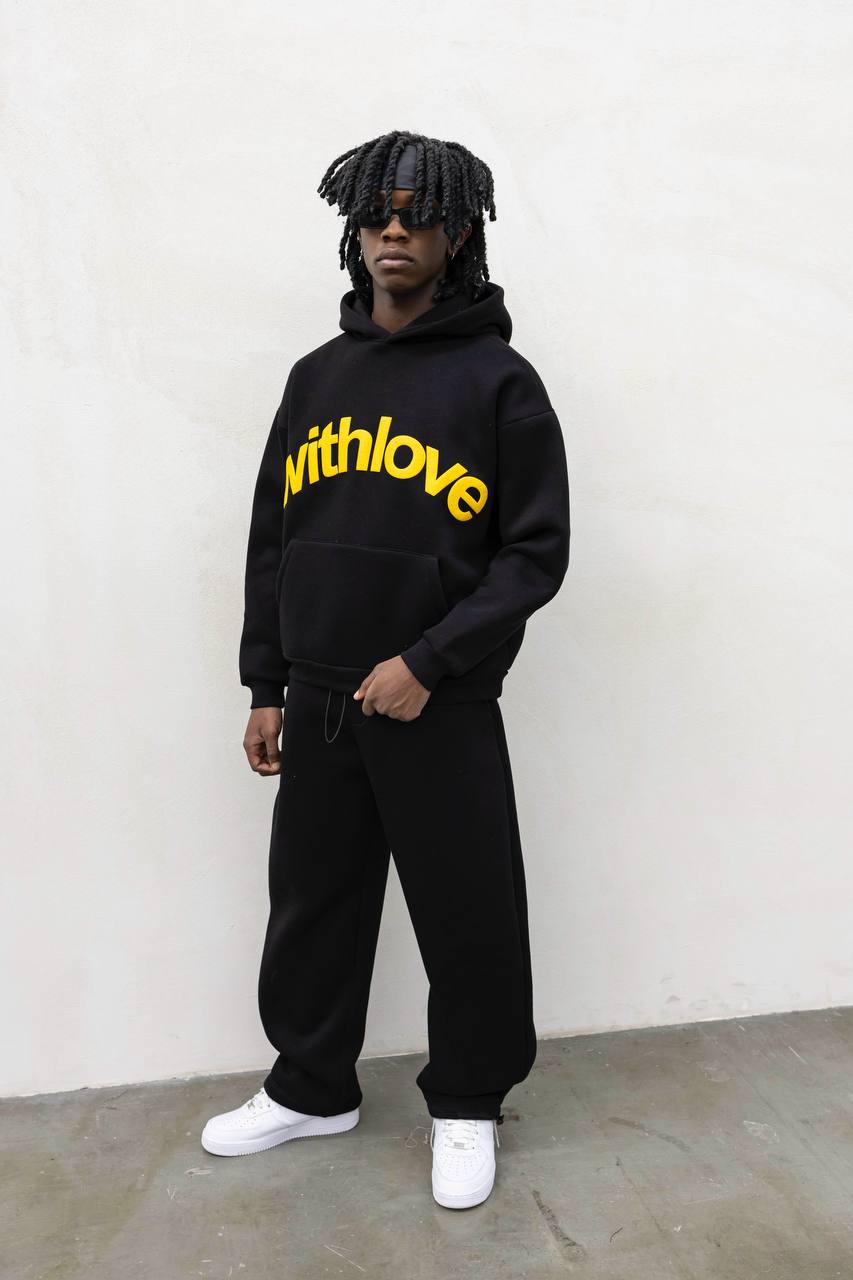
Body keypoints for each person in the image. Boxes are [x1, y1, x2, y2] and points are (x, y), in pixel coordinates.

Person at [201, 130, 571, 1211]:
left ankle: (466, 1101)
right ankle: (311, 1086)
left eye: (417, 215)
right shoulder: (316, 377)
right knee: (312, 904)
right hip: (317, 696)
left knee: (467, 909)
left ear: (458, 234)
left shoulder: (499, 383)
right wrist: (265, 683)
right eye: (375, 215)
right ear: (353, 232)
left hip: (435, 697)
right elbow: (273, 538)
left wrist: (427, 659)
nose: (393, 231)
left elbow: (533, 556)